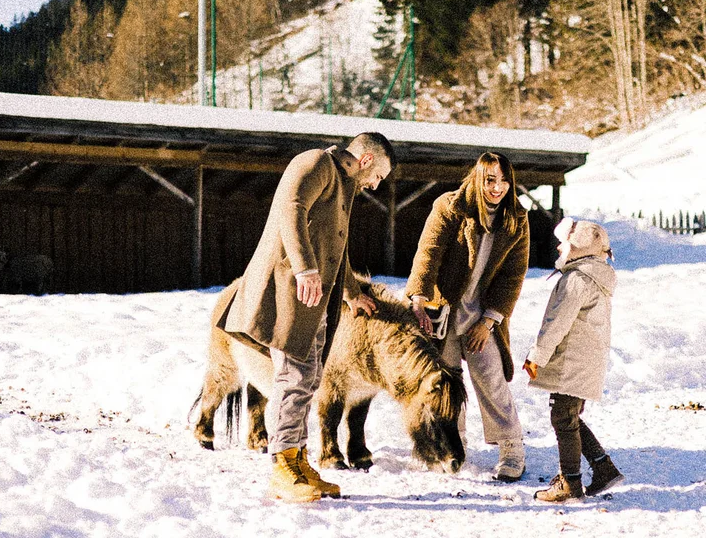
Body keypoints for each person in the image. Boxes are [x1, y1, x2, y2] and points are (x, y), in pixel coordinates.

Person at [215, 132, 396, 502]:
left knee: (308, 379)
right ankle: (283, 467)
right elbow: (290, 208)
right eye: (378, 175)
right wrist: (304, 268)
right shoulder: (316, 163)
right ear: (365, 161)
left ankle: (297, 462)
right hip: (289, 290)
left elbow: (337, 247)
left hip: (315, 299)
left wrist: (351, 293)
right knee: (293, 376)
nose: (375, 185)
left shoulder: (343, 187)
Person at [406, 152, 530, 482]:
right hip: (444, 311)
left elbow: (513, 275)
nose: (498, 188)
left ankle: (512, 448)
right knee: (446, 383)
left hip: (482, 316)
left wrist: (489, 321)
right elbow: (428, 251)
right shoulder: (451, 206)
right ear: (478, 178)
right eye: (490, 180)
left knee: (492, 379)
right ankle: (453, 446)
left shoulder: (516, 218)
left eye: (504, 180)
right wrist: (418, 296)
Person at [523, 217, 624, 502]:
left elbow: (557, 323)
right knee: (568, 416)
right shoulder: (594, 276)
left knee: (562, 417)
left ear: (578, 248)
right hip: (584, 360)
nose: (558, 248)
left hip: (571, 361)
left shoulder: (577, 279)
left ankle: (570, 482)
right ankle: (603, 467)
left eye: (564, 243)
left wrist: (536, 357)